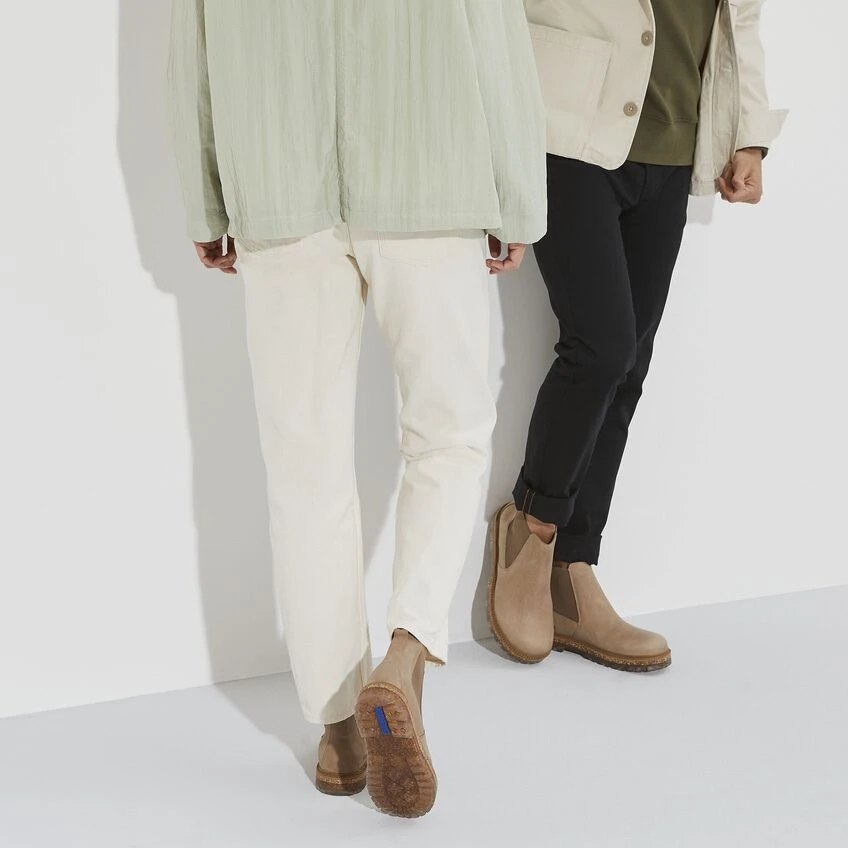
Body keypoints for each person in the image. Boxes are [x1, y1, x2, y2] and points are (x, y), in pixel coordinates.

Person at [166, 0, 545, 818]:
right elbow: (492, 27)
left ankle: (340, 732)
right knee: (448, 436)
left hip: (279, 186)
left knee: (304, 467)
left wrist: (207, 199)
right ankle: (406, 652)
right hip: (432, 172)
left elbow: (192, 40)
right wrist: (519, 198)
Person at [490, 0, 786, 670]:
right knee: (601, 349)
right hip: (568, 126)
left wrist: (749, 133)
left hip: (676, 142)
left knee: (628, 368)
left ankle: (573, 567)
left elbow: (740, 17)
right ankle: (531, 527)